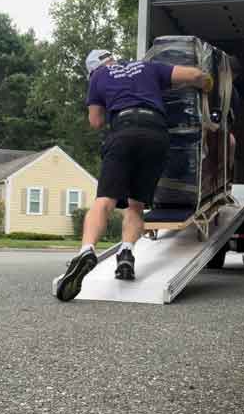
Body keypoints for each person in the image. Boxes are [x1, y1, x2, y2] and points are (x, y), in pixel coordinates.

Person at [56, 48, 213, 301]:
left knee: (104, 201)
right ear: (113, 58)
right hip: (157, 135)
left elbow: (95, 121)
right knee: (136, 204)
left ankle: (86, 251)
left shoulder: (98, 76)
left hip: (124, 131)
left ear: (93, 68)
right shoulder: (149, 67)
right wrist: (208, 84)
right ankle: (126, 253)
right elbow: (195, 75)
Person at [227, 55, 241, 180]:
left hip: (223, 129)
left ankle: (227, 178)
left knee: (231, 142)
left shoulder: (233, 92)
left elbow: (232, 117)